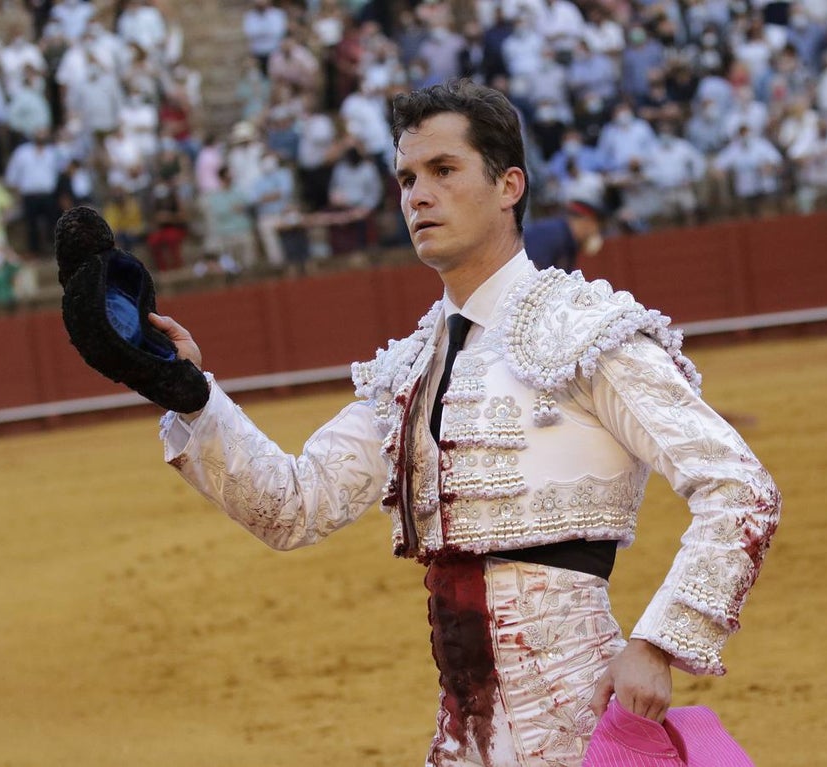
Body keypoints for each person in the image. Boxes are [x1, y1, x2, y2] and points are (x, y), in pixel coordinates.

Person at [149, 80, 780, 767]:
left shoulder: (585, 331)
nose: (417, 195)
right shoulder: (410, 367)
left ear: (509, 185)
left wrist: (659, 642)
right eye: (407, 178)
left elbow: (739, 485)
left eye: (444, 171)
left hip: (577, 717)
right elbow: (296, 504)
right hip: (462, 738)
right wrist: (188, 394)